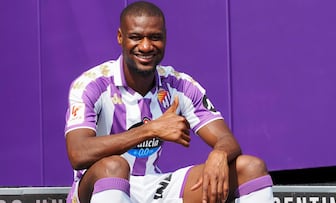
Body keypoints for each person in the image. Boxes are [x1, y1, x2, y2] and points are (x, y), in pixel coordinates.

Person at [64, 1, 274, 203]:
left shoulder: (179, 85)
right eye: (136, 37)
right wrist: (150, 130)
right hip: (99, 186)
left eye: (155, 37)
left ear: (165, 38)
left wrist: (219, 154)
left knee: (250, 167)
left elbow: (226, 139)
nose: (146, 46)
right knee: (115, 166)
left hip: (154, 185)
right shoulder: (92, 84)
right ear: (120, 37)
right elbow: (78, 153)